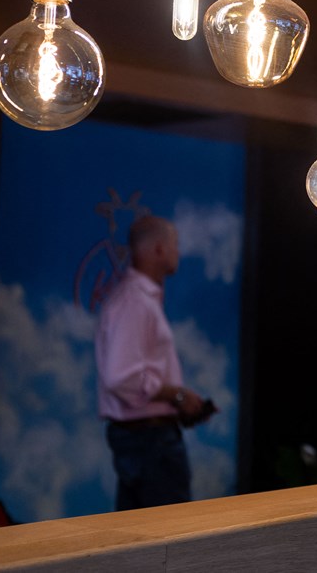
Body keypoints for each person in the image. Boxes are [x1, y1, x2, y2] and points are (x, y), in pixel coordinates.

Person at [95, 215, 213, 510]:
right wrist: (177, 395)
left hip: (147, 438)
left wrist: (180, 399)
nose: (179, 253)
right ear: (158, 250)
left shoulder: (138, 299)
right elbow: (120, 377)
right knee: (169, 544)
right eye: (175, 245)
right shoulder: (135, 302)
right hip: (149, 441)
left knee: (142, 543)